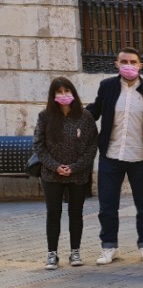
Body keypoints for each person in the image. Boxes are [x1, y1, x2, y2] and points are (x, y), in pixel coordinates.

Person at [86, 47, 143, 265]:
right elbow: (95, 110)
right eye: (124, 61)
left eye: (133, 61)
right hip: (111, 155)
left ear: (140, 65)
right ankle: (109, 246)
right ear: (116, 64)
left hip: (140, 157)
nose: (128, 65)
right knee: (107, 205)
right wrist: (71, 116)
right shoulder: (107, 87)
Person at [33, 77, 98, 269]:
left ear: (73, 93)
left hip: (77, 174)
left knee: (75, 213)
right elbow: (39, 145)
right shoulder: (45, 116)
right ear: (53, 96)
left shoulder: (85, 116)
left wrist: (75, 167)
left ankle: (75, 252)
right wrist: (55, 166)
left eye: (67, 91)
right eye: (59, 92)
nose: (63, 95)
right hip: (52, 175)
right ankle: (52, 254)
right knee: (53, 213)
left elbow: (92, 145)